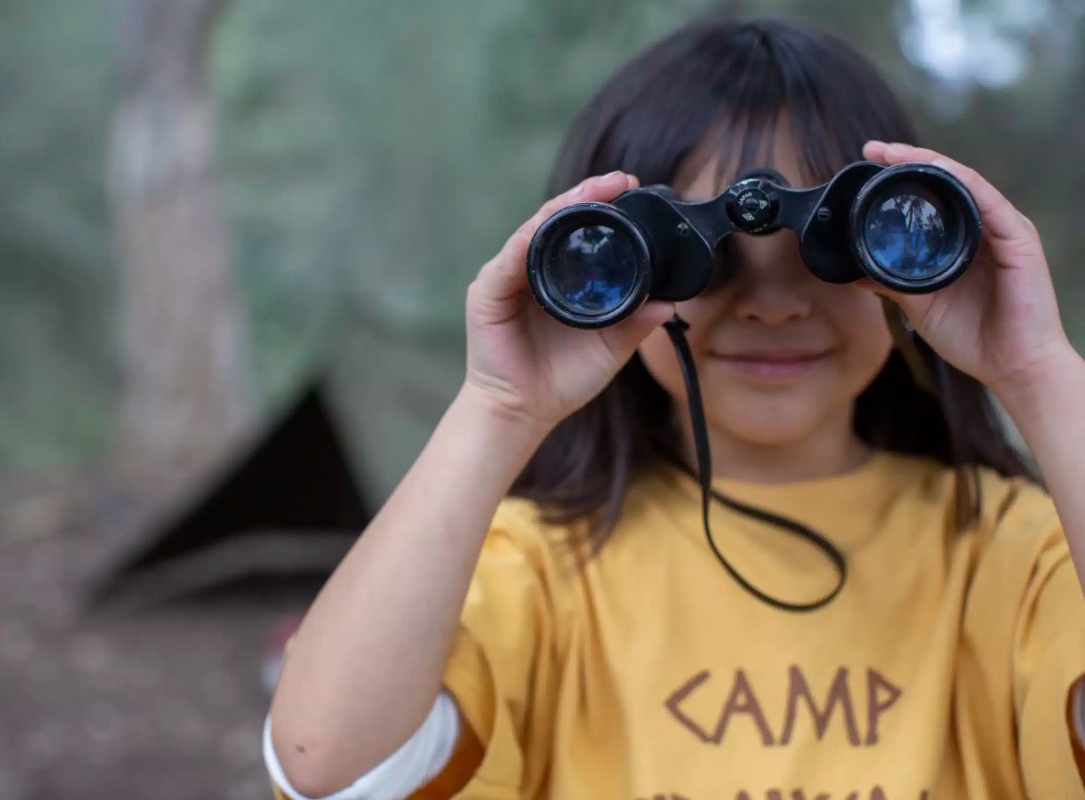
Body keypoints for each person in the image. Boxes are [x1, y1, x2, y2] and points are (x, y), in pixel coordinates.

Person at [265, 17, 1085, 800]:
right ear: (627, 266)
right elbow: (330, 771)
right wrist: (498, 406)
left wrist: (1040, 370)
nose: (772, 306)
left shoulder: (1015, 554)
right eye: (706, 262)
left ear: (908, 274)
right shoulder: (534, 569)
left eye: (827, 259)